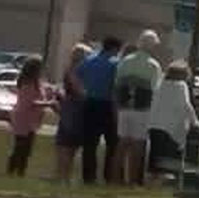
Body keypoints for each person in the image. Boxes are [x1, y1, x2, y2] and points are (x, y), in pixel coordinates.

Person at [113, 29, 163, 185]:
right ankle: (133, 179)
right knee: (138, 145)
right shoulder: (153, 65)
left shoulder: (126, 60)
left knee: (122, 143)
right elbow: (156, 90)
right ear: (152, 46)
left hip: (125, 106)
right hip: (142, 108)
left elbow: (117, 83)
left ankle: (115, 178)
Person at [147, 61, 199, 181]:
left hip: (154, 124)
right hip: (169, 126)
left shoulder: (160, 84)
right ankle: (167, 179)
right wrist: (195, 121)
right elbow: (185, 105)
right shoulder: (181, 86)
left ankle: (153, 178)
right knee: (169, 154)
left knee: (155, 153)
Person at [78, 36, 122, 185]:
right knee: (112, 143)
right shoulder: (115, 64)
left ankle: (88, 177)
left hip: (90, 103)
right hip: (108, 105)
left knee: (89, 144)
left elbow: (77, 75)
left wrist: (85, 90)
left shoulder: (89, 61)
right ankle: (109, 176)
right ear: (115, 49)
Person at [7, 56, 51, 176]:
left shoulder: (37, 83)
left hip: (31, 120)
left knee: (26, 149)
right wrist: (48, 103)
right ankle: (12, 171)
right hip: (23, 118)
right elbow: (30, 102)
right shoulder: (27, 82)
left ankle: (20, 171)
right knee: (20, 147)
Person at [55, 43, 91, 183]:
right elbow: (79, 91)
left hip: (69, 107)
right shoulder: (75, 71)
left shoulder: (69, 69)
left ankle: (63, 177)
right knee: (67, 146)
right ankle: (63, 177)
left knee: (67, 146)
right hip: (75, 108)